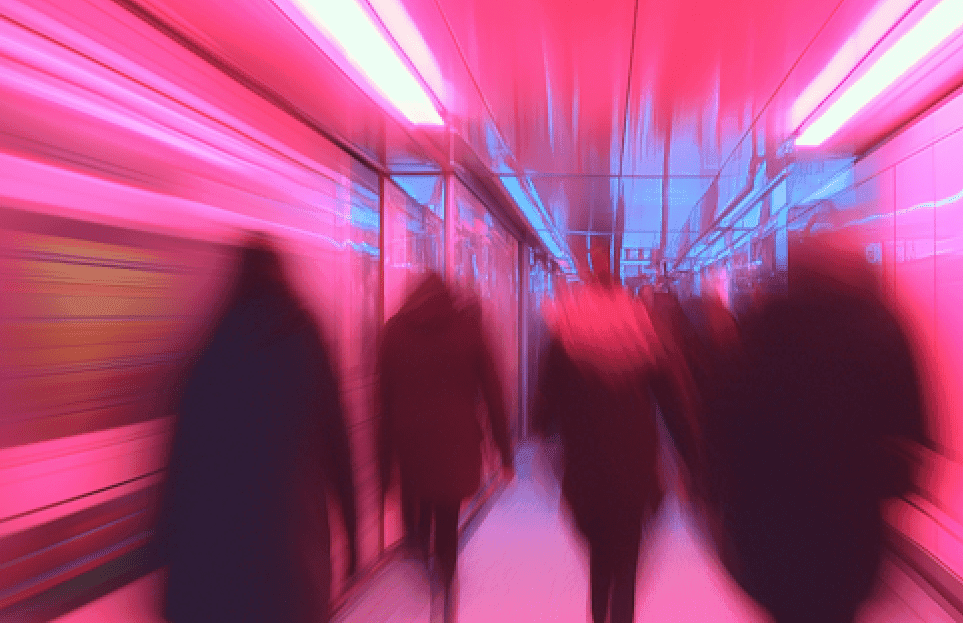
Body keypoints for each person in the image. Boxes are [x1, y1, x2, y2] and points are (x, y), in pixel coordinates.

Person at [710, 232, 933, 623]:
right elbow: (911, 433)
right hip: (849, 528)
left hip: (769, 529)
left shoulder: (759, 329)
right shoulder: (879, 328)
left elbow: (724, 430)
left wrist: (727, 509)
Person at [156, 235, 359, 623]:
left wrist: (165, 550)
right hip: (292, 550)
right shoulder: (305, 336)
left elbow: (181, 460)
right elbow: (338, 444)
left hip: (222, 554)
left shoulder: (214, 345)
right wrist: (353, 533)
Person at [534, 242, 699, 623]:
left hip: (584, 467)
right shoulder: (642, 333)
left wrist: (543, 441)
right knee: (627, 558)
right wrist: (690, 460)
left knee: (599, 555)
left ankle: (598, 613)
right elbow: (674, 404)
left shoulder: (565, 338)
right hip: (634, 467)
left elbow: (544, 403)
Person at [376, 271, 514, 623]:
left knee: (420, 502)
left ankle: (421, 549)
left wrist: (382, 464)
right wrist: (505, 452)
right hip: (455, 444)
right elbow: (494, 395)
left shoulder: (393, 332)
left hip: (411, 445)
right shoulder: (469, 330)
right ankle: (447, 588)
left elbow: (382, 401)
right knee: (448, 518)